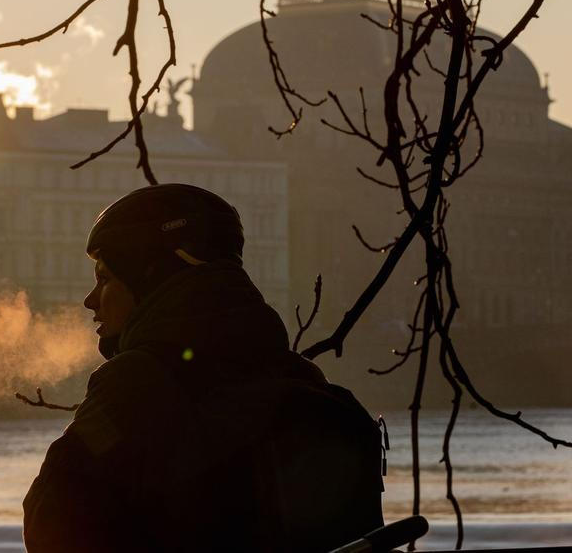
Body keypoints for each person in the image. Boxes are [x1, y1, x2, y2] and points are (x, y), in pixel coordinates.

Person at [23, 184, 384, 552]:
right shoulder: (301, 376)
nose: (90, 300)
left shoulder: (133, 384)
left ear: (150, 278)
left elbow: (50, 522)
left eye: (105, 278)